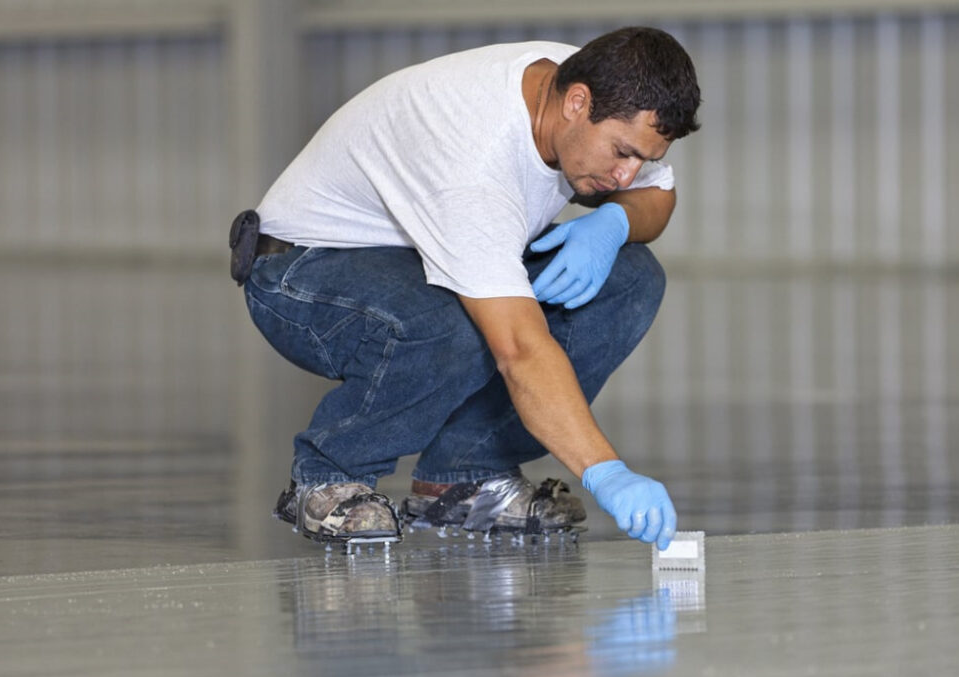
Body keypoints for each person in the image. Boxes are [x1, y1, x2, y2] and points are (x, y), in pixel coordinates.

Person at [232, 27, 701, 551]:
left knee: (630, 279)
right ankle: (328, 477)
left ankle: (464, 476)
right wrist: (606, 472)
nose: (627, 173)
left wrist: (614, 222)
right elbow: (519, 350)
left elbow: (657, 198)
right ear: (576, 103)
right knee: (448, 324)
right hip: (303, 272)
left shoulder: (596, 83)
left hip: (418, 253)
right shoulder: (473, 156)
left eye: (641, 157)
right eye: (621, 153)